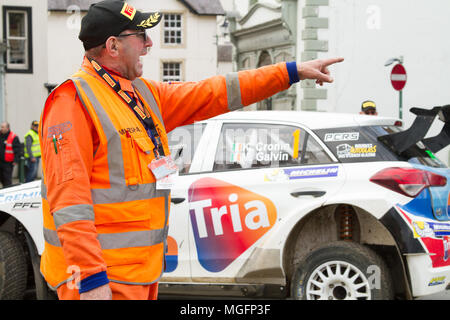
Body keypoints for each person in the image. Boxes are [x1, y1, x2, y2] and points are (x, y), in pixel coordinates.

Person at [39, 0, 344, 300]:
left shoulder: (141, 93)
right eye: (141, 36)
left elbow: (215, 92)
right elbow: (69, 202)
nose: (149, 44)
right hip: (101, 278)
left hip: (140, 273)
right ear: (113, 46)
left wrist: (289, 72)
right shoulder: (72, 101)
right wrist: (91, 278)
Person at [0, 122, 21, 188]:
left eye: (3, 127)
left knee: (7, 181)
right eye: (1, 127)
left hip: (8, 164)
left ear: (8, 128)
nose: (1, 128)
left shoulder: (13, 137)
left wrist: (15, 160)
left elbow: (17, 150)